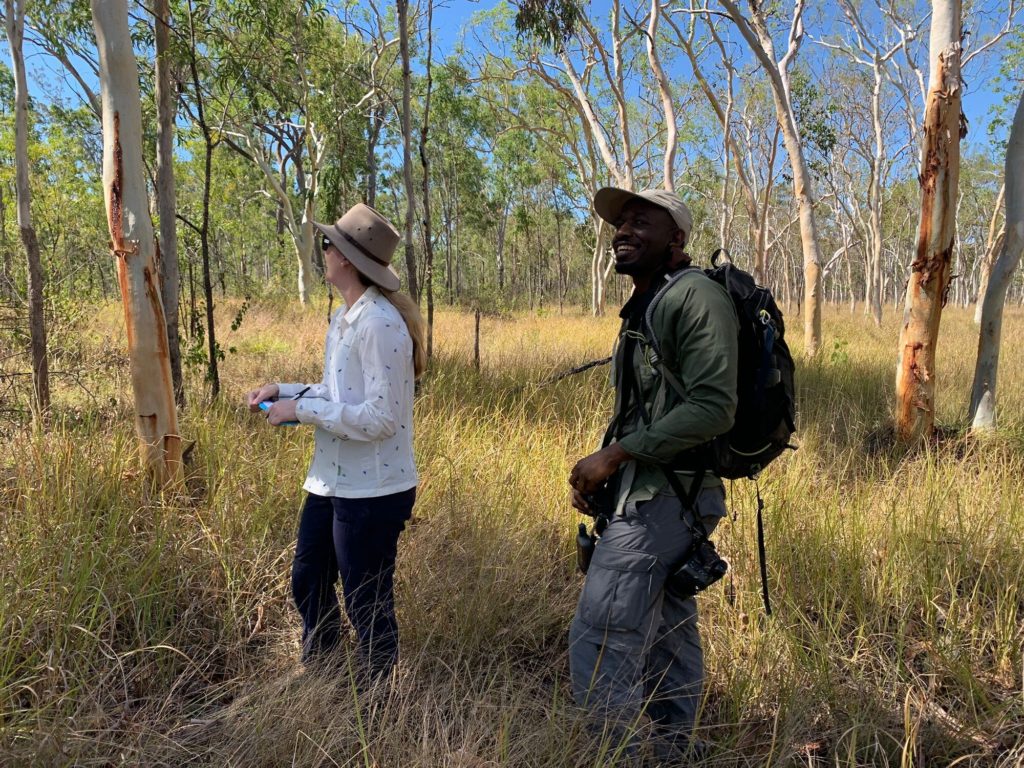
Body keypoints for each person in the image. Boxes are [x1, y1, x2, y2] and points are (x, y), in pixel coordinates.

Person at [567, 187, 739, 758]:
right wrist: (607, 479)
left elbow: (715, 407)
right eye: (620, 223)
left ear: (677, 239)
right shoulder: (649, 301)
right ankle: (672, 753)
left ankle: (622, 756)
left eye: (642, 222)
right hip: (647, 495)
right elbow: (649, 409)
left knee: (601, 639)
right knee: (669, 637)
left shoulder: (694, 296)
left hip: (670, 499)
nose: (624, 231)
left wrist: (615, 457)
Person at [246, 203, 426, 683]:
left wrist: (301, 411)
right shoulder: (345, 318)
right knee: (308, 579)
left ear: (345, 257)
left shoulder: (380, 324)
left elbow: (382, 418)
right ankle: (322, 677)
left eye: (328, 244)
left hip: (374, 490)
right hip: (331, 481)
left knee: (366, 599)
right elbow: (338, 393)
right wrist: (282, 392)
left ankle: (377, 698)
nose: (322, 251)